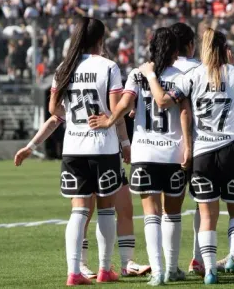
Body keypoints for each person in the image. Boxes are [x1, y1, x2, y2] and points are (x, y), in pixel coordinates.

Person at [139, 28, 234, 285]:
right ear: (224, 48)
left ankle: (209, 270)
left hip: (202, 154)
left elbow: (162, 101)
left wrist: (151, 75)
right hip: (232, 150)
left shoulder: (192, 76)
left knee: (207, 215)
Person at [14, 17, 125, 286]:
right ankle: (103, 269)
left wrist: (74, 119)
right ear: (101, 39)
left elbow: (54, 109)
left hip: (73, 147)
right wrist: (116, 129)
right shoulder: (109, 66)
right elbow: (115, 110)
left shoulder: (64, 68)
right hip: (103, 146)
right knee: (106, 208)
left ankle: (74, 272)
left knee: (78, 211)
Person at [88, 27, 193, 285]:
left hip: (144, 151)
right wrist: (189, 146)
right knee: (173, 213)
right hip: (172, 151)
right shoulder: (183, 76)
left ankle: (157, 272)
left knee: (151, 214)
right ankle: (170, 267)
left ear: (150, 47)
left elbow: (124, 104)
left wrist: (109, 120)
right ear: (176, 51)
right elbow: (184, 114)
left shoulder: (137, 73)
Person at [168, 22, 205, 277]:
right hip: (200, 143)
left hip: (167, 147)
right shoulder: (201, 69)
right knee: (204, 203)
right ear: (191, 45)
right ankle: (199, 259)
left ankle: (166, 266)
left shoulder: (162, 72)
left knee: (168, 210)